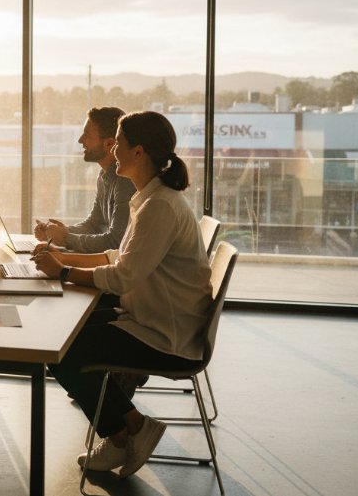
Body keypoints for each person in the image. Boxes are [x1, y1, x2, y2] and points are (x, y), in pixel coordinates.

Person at [32, 110, 212, 478]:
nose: (114, 150)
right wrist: (62, 256)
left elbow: (122, 277)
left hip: (165, 334)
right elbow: (118, 256)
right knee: (66, 337)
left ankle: (120, 436)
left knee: (64, 349)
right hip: (155, 316)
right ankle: (132, 425)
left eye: (121, 143)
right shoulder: (150, 198)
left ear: (139, 152)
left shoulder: (157, 207)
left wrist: (64, 271)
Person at [34, 106, 135, 253]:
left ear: (109, 143)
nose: (80, 140)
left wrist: (66, 238)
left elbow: (116, 242)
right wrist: (58, 232)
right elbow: (94, 225)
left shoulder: (125, 181)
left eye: (87, 135)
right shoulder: (104, 176)